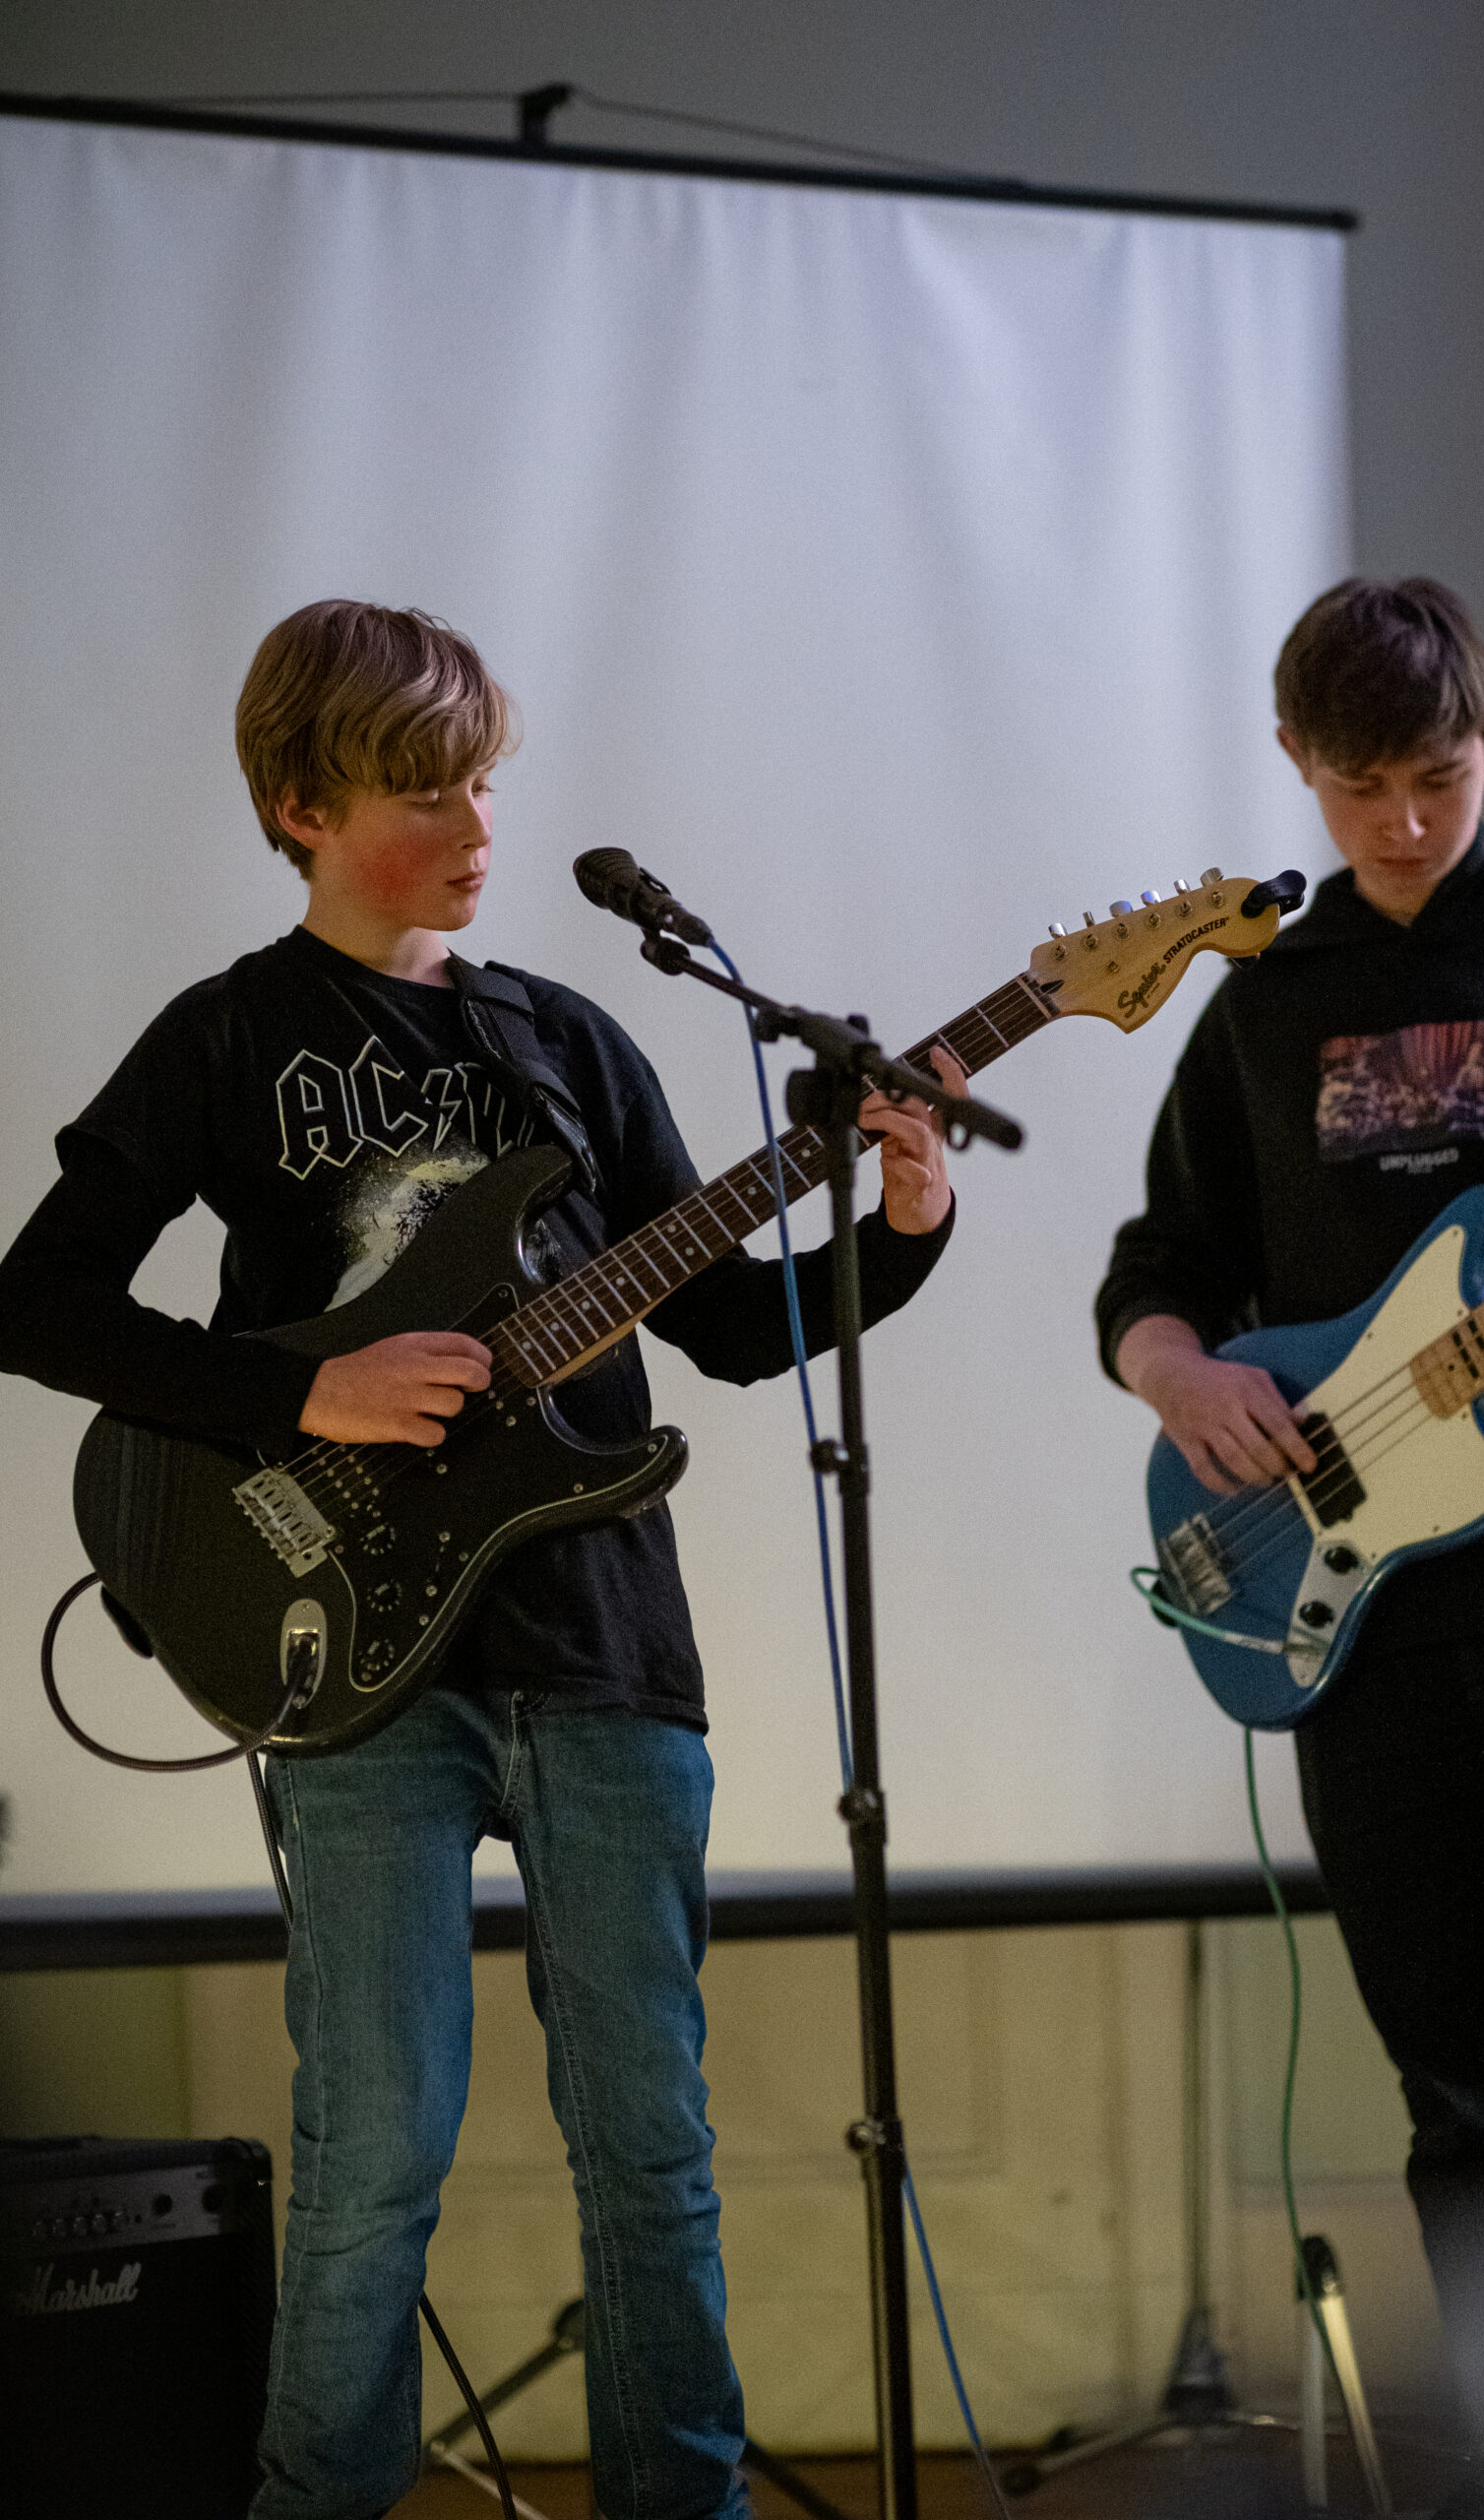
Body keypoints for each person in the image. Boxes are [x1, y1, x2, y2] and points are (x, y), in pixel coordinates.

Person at [0, 599, 964, 2520]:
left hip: (603, 1641)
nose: (473, 819)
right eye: (422, 785)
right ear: (299, 802)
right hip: (350, 1659)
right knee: (374, 2142)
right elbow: (37, 1301)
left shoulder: (570, 1040)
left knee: (649, 2141)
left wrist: (907, 1212)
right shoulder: (229, 1037)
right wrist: (305, 1397)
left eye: (482, 779)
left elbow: (730, 1331)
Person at [1096, 578, 1484, 2516]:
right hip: (1366, 1629)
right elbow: (1158, 1270)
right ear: (1297, 770)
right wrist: (1176, 1372)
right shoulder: (1261, 1009)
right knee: (1463, 2104)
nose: (1401, 822)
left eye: (1431, 776)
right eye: (1359, 785)